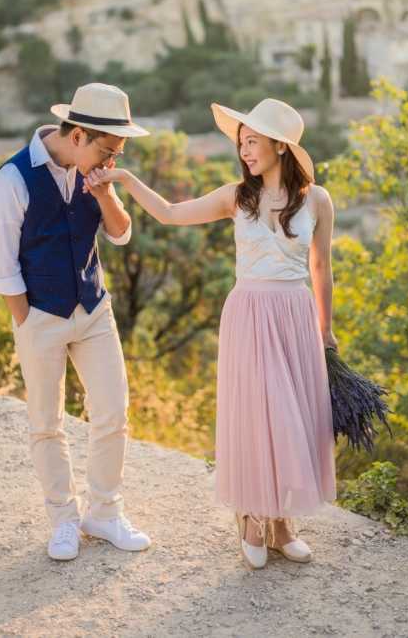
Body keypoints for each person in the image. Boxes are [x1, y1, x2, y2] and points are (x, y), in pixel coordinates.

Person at [84, 97, 337, 569]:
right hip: (249, 312)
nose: (245, 150)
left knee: (292, 418)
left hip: (295, 314)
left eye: (253, 141)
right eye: (242, 142)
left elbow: (322, 268)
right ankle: (251, 519)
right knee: (258, 415)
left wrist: (326, 329)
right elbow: (170, 214)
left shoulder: (317, 200)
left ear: (280, 146)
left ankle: (282, 523)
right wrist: (123, 179)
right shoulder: (236, 197)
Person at [0, 83, 152, 561]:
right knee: (46, 423)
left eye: (118, 153)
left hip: (93, 308)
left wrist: (103, 191)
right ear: (77, 135)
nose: (111, 162)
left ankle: (104, 512)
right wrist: (28, 323)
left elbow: (120, 232)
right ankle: (62, 518)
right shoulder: (12, 180)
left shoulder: (94, 173)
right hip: (39, 314)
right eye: (107, 151)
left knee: (113, 410)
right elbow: (2, 267)